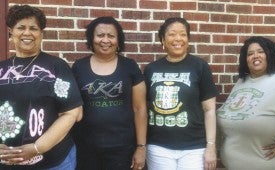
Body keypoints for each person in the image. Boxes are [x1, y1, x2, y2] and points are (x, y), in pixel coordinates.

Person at [0, 4, 83, 170]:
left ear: (41, 33)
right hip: (7, 162)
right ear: (11, 31)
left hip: (53, 162)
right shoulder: (2, 69)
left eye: (34, 28)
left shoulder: (56, 67)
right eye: (21, 27)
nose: (27, 33)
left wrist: (38, 147)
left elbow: (72, 113)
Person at [71, 16, 147, 170]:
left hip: (123, 149)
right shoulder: (79, 67)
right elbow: (72, 109)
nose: (105, 40)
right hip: (86, 149)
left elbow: (140, 109)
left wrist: (141, 147)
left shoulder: (130, 67)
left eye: (111, 36)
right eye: (100, 35)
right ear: (91, 38)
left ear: (118, 40)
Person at [143, 17, 219, 170]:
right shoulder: (151, 69)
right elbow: (143, 108)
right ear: (162, 40)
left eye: (183, 34)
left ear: (188, 39)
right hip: (159, 146)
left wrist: (210, 146)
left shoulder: (200, 66)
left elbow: (209, 109)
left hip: (194, 147)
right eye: (172, 34)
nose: (178, 38)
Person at [217, 36, 275, 170]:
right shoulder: (241, 83)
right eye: (250, 54)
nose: (255, 56)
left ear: (270, 54)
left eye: (260, 52)